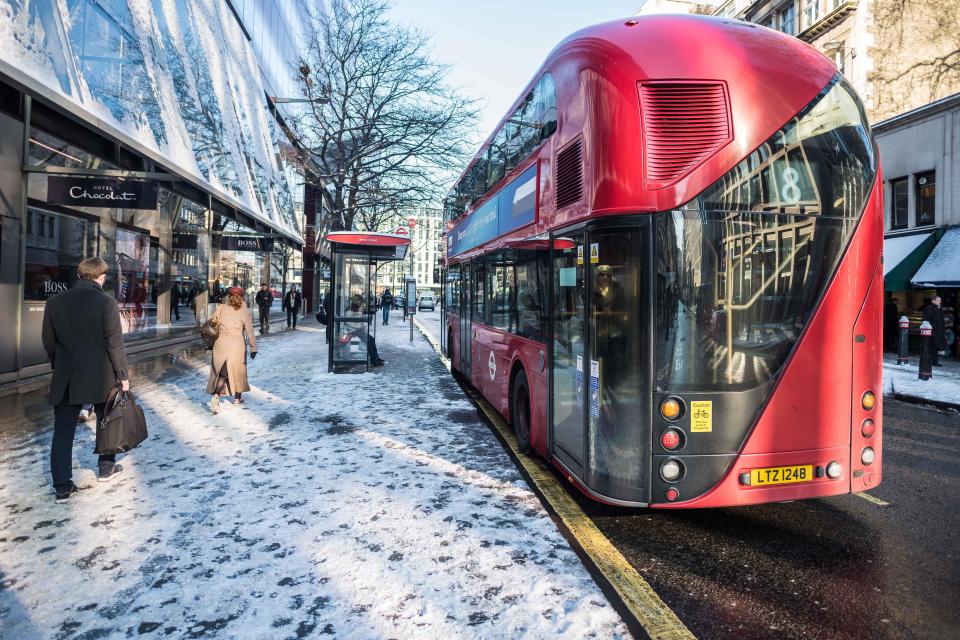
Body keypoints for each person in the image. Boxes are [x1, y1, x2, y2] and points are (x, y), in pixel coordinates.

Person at [42, 257, 129, 502]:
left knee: (63, 431)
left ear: (80, 275)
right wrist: (123, 375)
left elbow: (48, 340)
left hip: (67, 375)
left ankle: (62, 485)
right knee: (107, 420)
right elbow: (114, 343)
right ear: (101, 277)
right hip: (101, 374)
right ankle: (105, 468)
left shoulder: (55, 302)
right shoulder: (106, 302)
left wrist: (58, 365)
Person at [206, 287, 258, 413]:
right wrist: (253, 348)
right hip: (237, 345)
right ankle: (237, 398)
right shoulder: (245, 311)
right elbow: (249, 332)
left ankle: (216, 396)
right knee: (239, 371)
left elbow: (212, 323)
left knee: (222, 374)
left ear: (229, 296)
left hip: (221, 344)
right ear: (242, 297)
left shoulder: (221, 308)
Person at [922, 296, 947, 366]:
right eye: (938, 300)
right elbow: (926, 319)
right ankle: (933, 361)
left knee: (936, 346)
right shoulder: (928, 308)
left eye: (940, 300)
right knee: (933, 346)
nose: (940, 301)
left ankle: (935, 361)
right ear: (933, 301)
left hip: (940, 331)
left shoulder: (939, 308)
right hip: (933, 330)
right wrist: (933, 326)